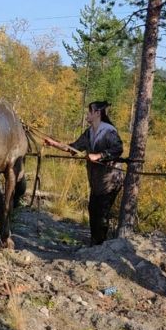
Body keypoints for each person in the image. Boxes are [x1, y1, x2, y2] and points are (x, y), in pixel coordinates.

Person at [44, 101, 124, 245]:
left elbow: (117, 149)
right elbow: (74, 148)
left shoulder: (108, 131)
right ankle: (95, 243)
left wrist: (98, 155)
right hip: (97, 181)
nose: (87, 114)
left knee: (101, 212)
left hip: (110, 180)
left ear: (97, 113)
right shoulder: (89, 132)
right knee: (93, 209)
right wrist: (54, 144)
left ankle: (100, 245)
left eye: (89, 111)